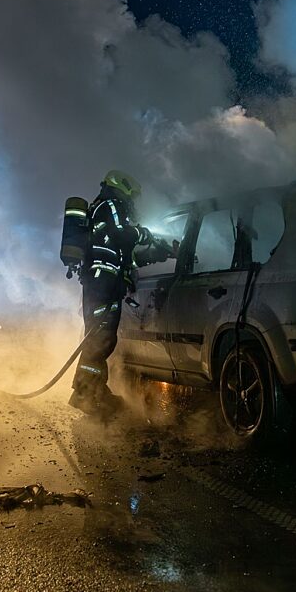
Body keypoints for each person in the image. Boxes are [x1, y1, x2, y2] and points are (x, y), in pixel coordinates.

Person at [69, 170, 169, 416]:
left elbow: (126, 257)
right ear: (122, 187)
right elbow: (122, 234)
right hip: (102, 283)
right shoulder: (112, 204)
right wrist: (144, 234)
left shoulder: (101, 208)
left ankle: (91, 392)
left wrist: (162, 253)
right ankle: (86, 395)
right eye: (132, 196)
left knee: (101, 338)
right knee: (100, 338)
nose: (133, 201)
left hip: (101, 282)